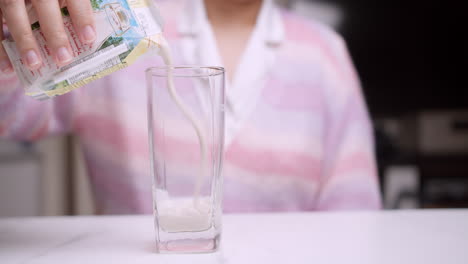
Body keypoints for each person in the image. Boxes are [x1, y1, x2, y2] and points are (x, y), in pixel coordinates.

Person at [0, 0, 381, 214]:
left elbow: (355, 217)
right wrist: (11, 44)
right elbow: (11, 117)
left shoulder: (324, 54)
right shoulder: (119, 28)